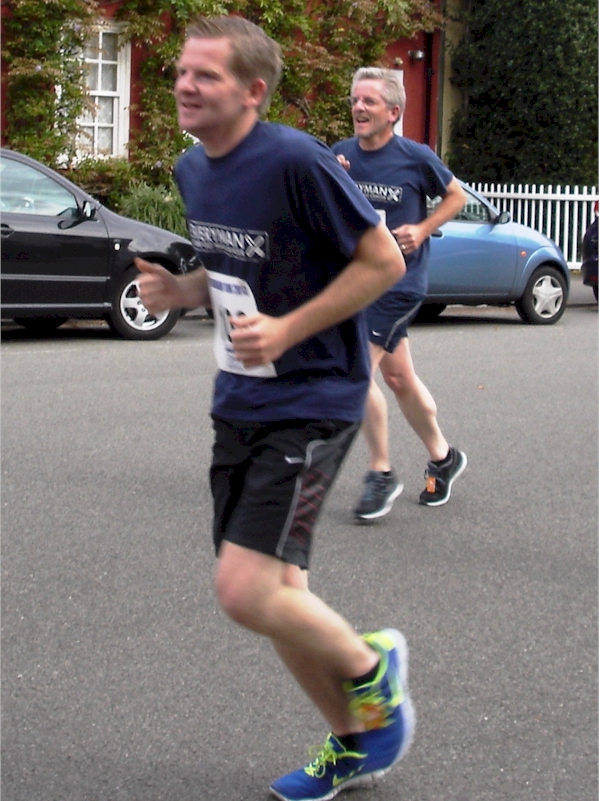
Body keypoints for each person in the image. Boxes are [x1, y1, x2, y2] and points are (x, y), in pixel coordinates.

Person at [135, 17, 414, 801]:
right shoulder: (194, 167)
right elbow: (237, 270)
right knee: (277, 595)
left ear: (253, 92)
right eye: (182, 70)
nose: (185, 84)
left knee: (245, 589)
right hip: (240, 398)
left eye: (207, 75)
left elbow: (384, 261)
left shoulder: (295, 160)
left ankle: (374, 668)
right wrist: (181, 289)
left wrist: (289, 329)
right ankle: (354, 743)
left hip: (314, 396)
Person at [332, 67, 468, 522]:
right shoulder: (340, 155)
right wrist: (333, 180)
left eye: (368, 101)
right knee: (399, 378)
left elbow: (456, 197)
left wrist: (423, 228)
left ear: (393, 112)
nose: (358, 107)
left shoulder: (415, 157)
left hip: (398, 283)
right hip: (357, 279)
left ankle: (381, 472)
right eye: (355, 100)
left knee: (354, 372)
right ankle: (444, 457)